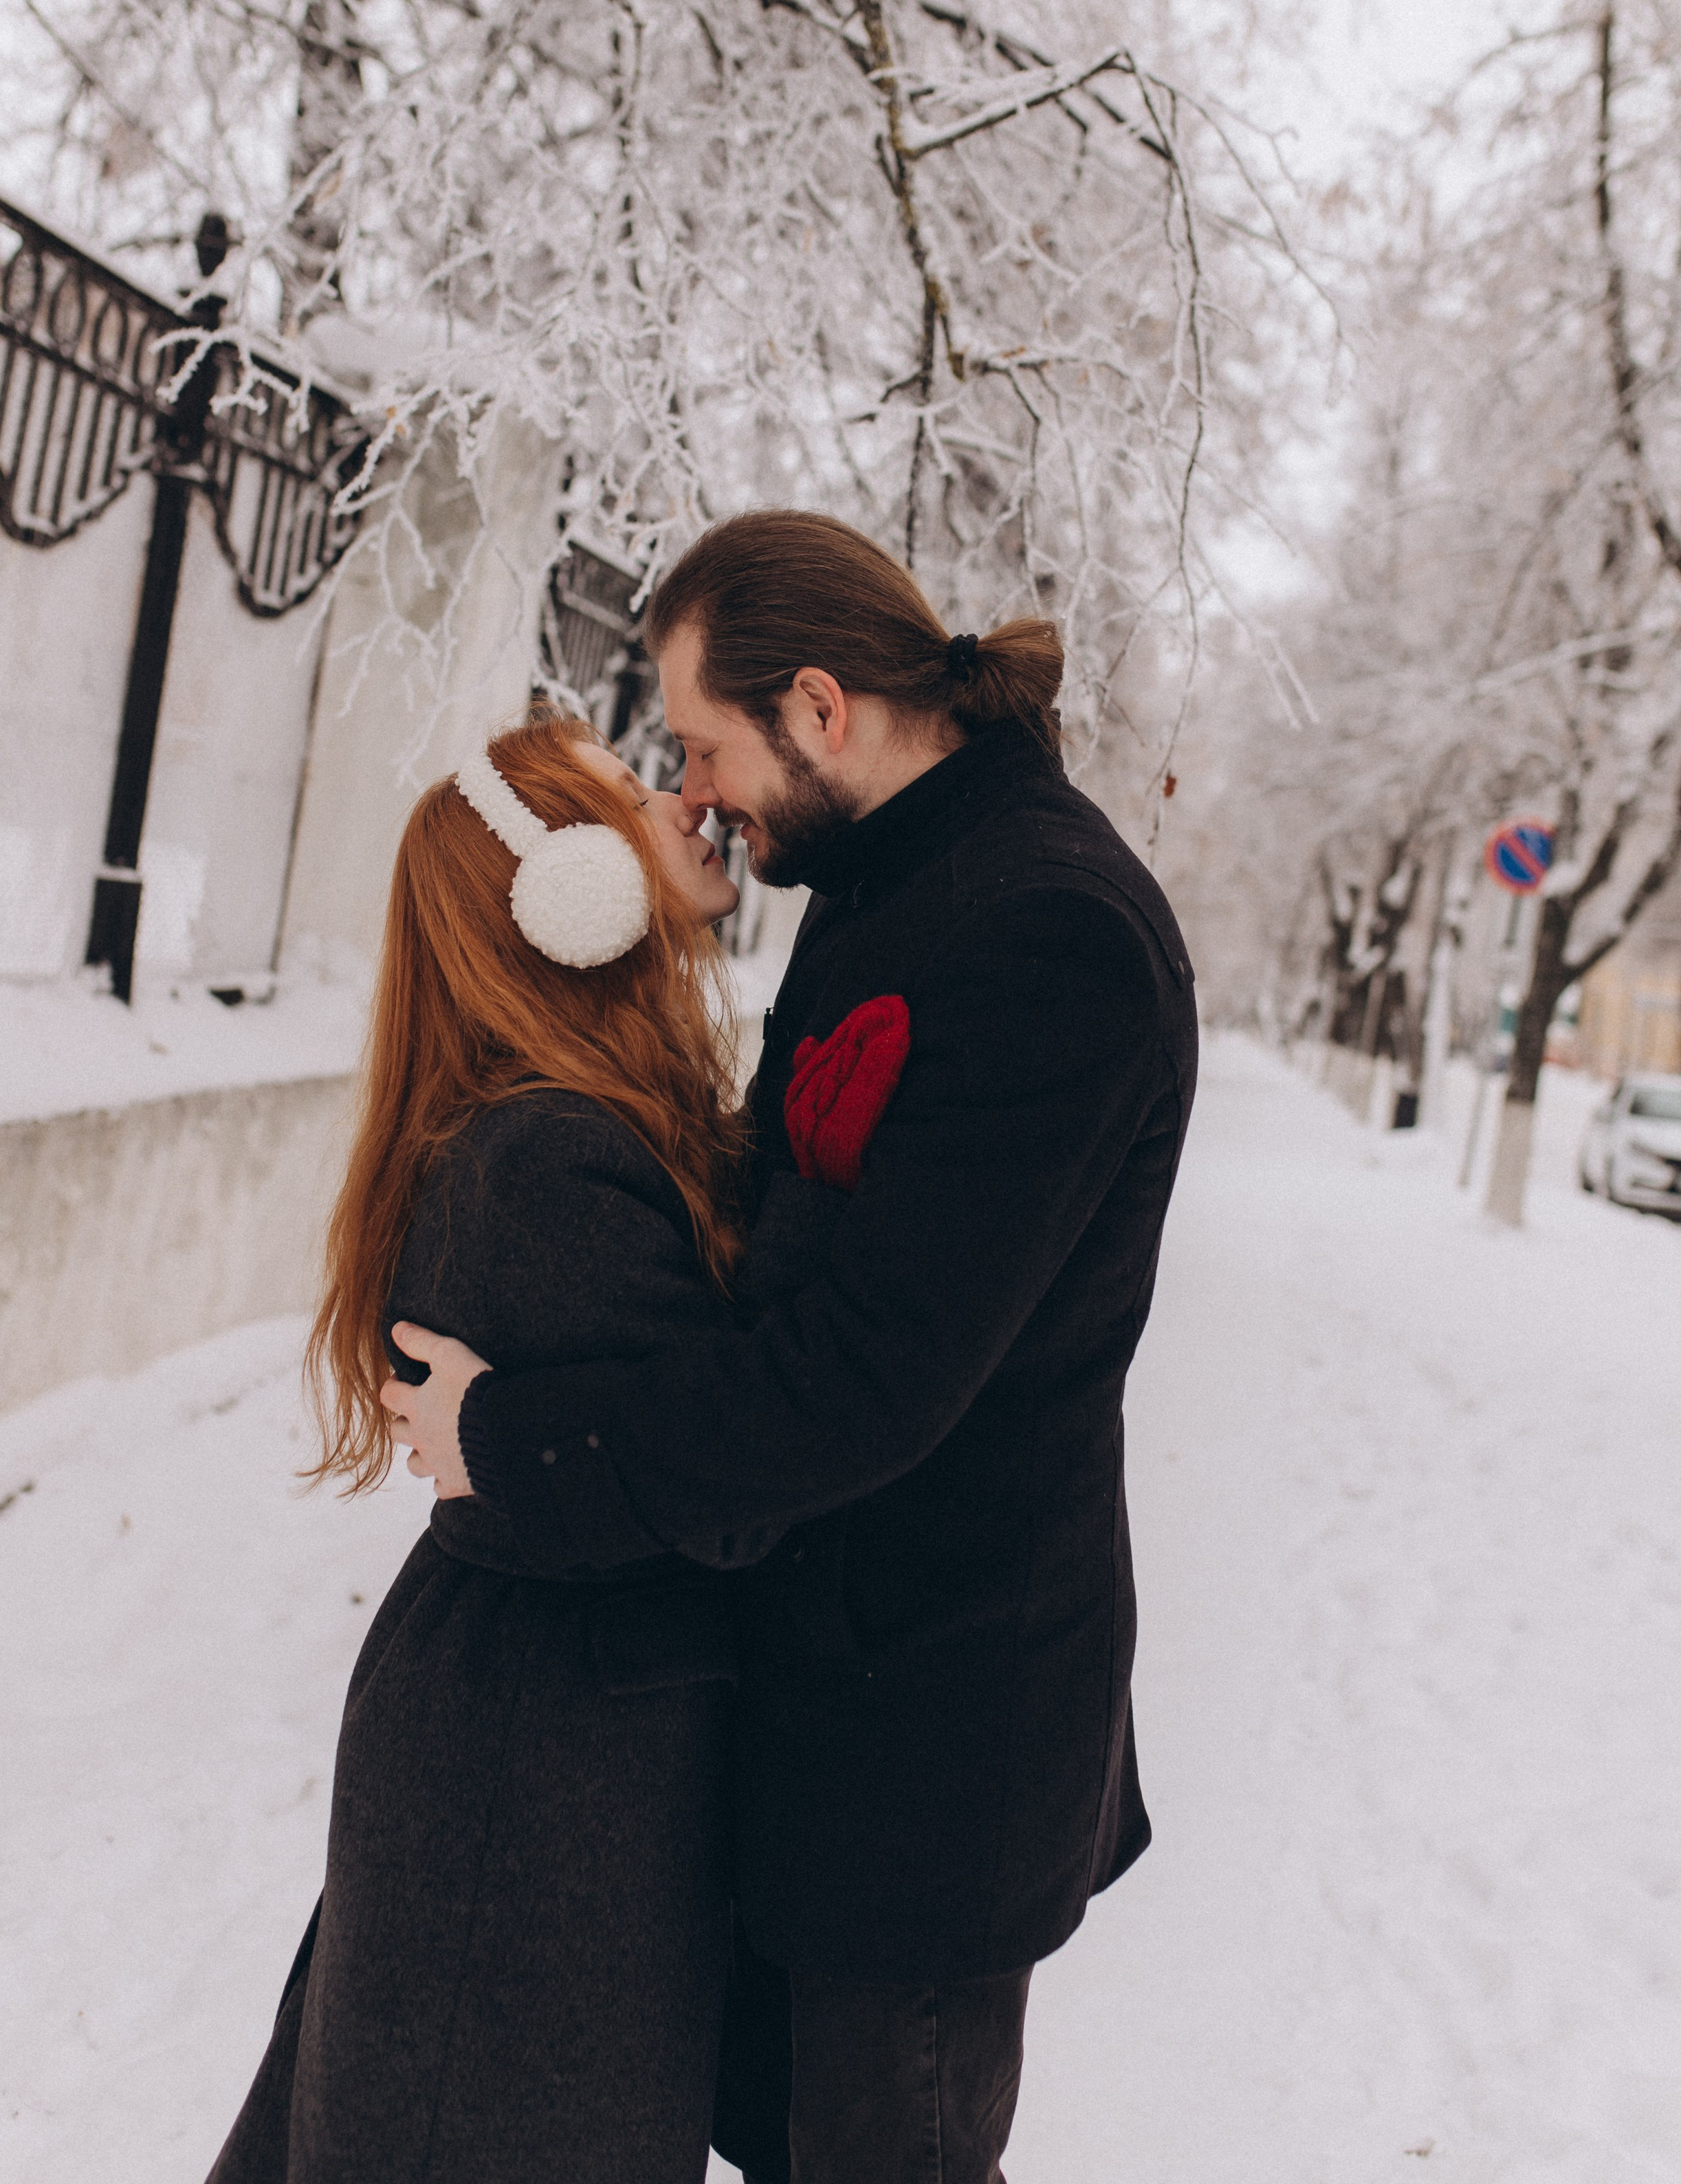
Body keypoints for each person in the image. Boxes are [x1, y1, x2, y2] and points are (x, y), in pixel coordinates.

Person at [387, 511, 1200, 2184]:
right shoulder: (888, 882)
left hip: (927, 1759)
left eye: (699, 744)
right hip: (815, 1719)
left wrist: (514, 1445)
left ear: (819, 708)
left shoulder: (1049, 932)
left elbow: (861, 1378)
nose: (691, 794)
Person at [206, 712, 879, 2184]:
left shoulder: (592, 1124)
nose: (684, 803)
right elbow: (723, 1487)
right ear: (565, 887)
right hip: (540, 1780)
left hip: (563, 1750)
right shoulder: (543, 1161)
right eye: (639, 794)